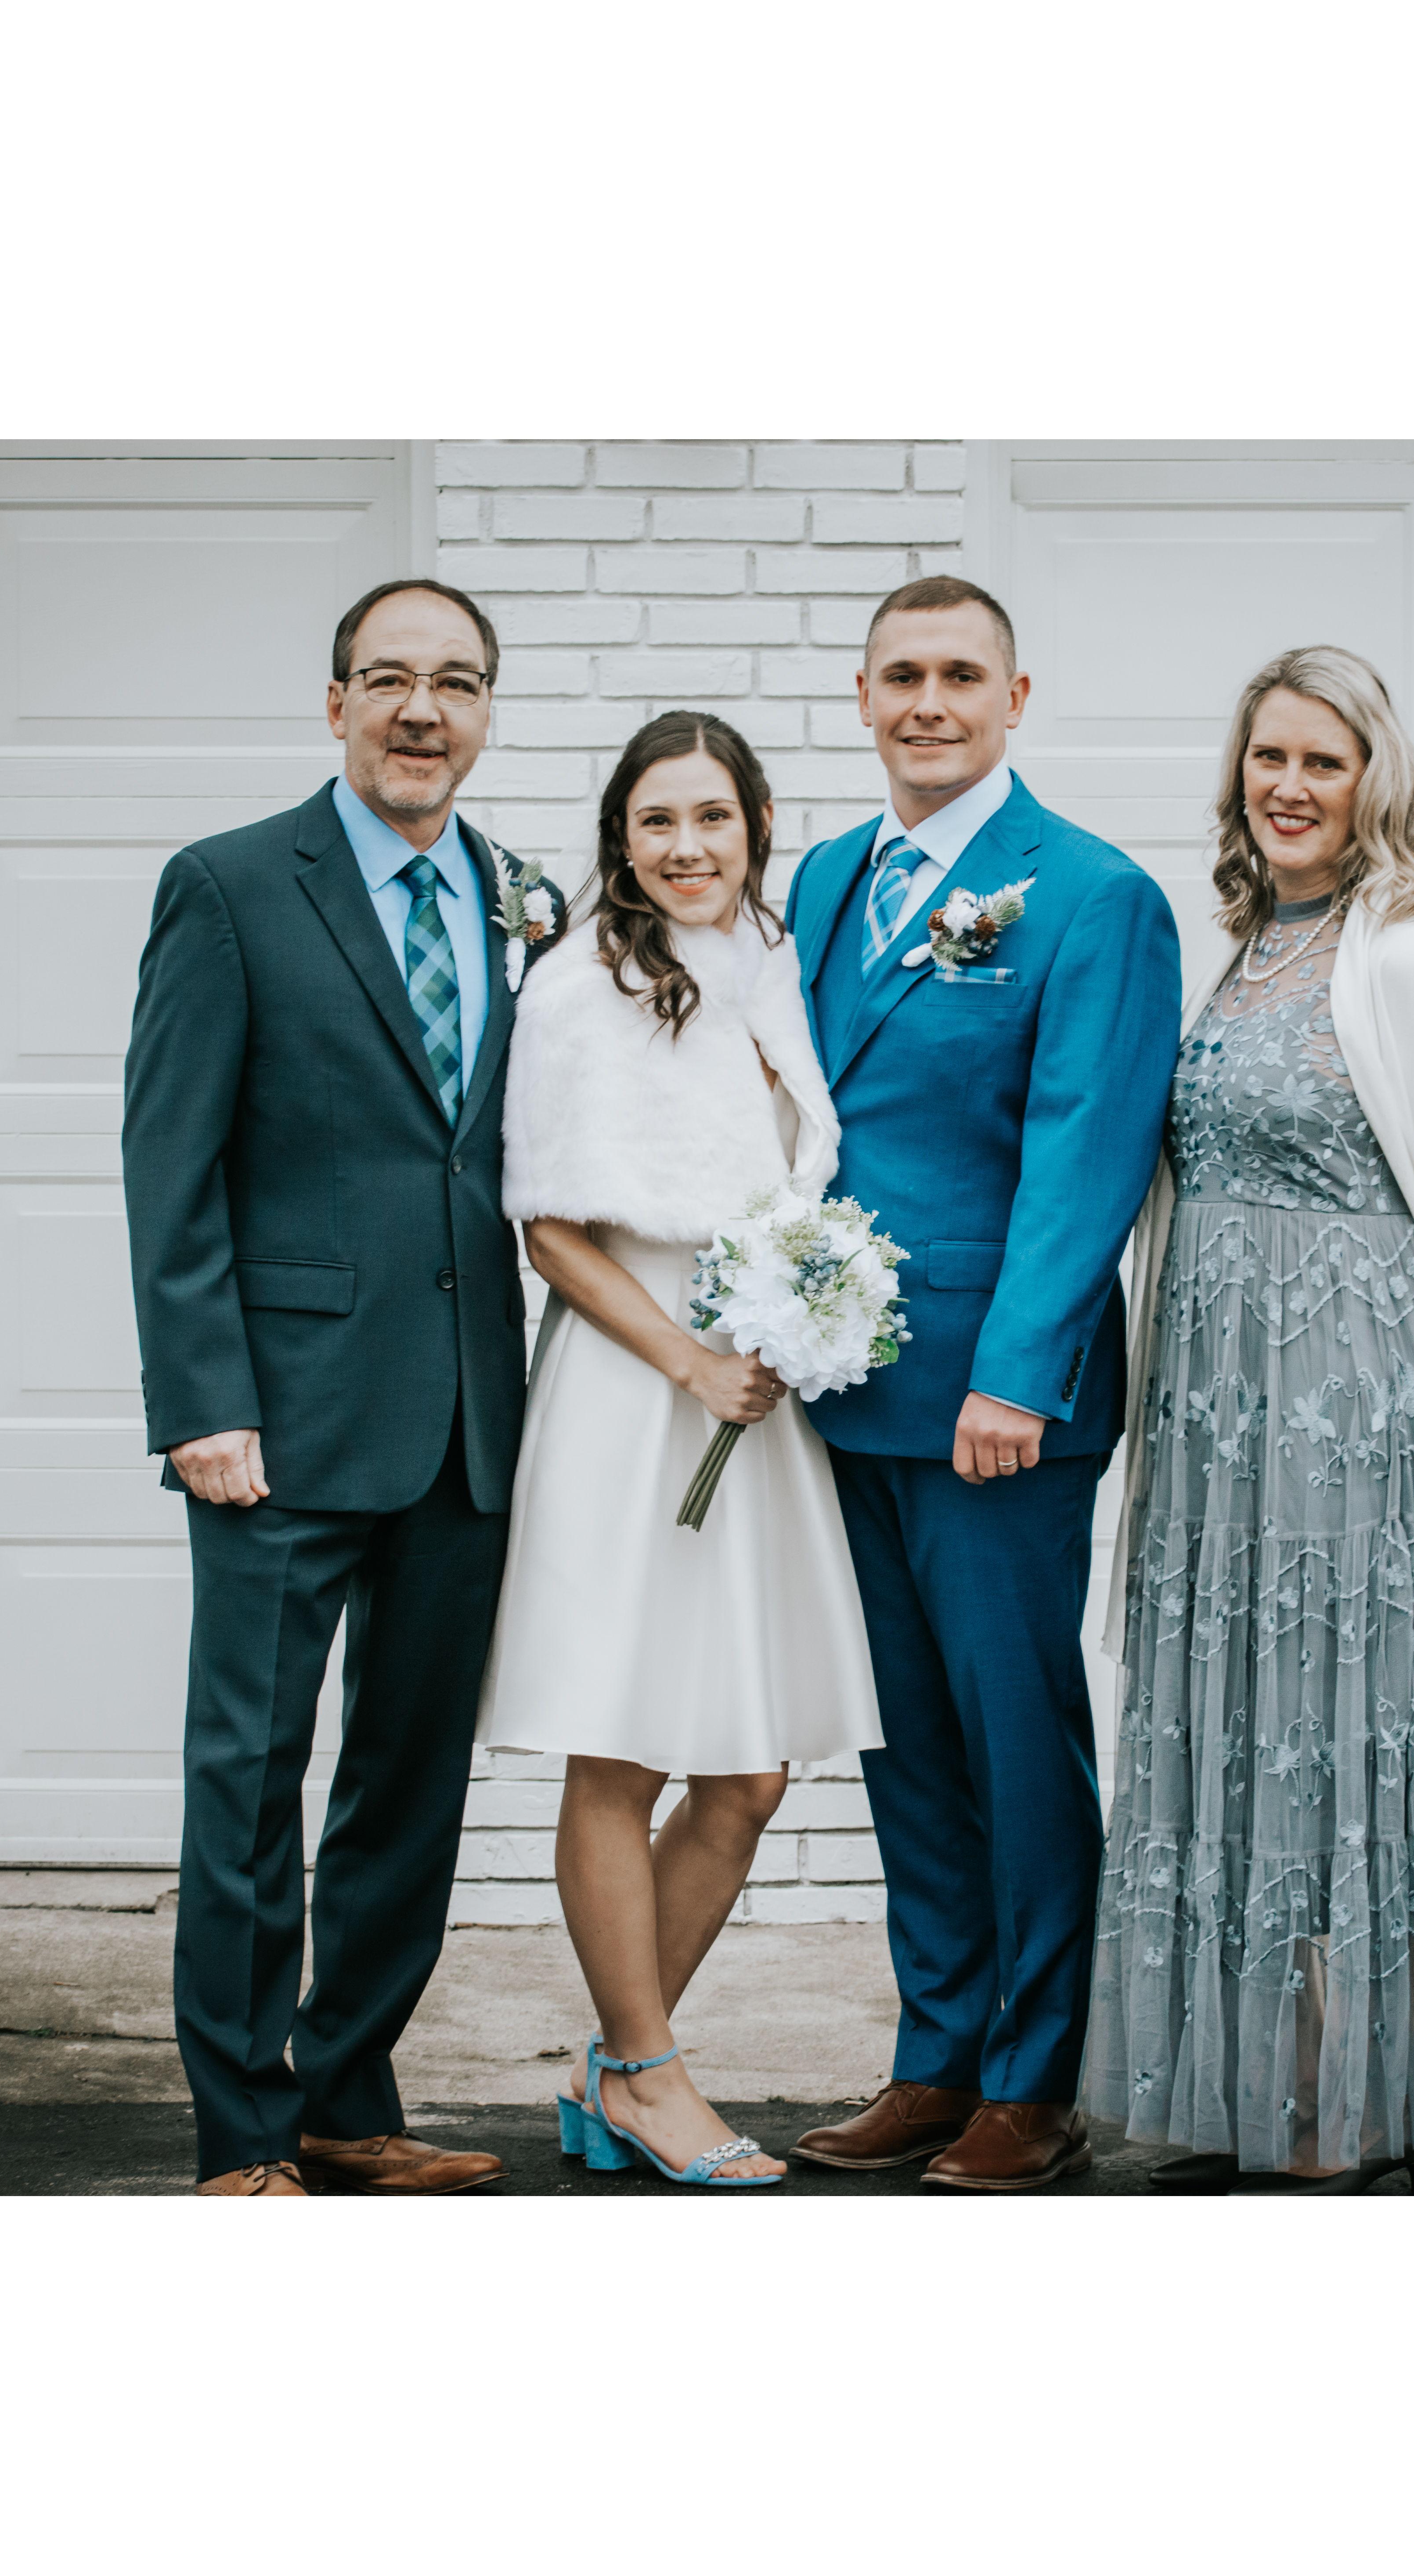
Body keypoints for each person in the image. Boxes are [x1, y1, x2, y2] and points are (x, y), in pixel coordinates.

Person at [1082, 645, 1414, 2192]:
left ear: (1375, 782)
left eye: (1323, 761)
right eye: (1269, 759)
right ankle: (1263, 2090)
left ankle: (1353, 2106)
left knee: (1347, 1736)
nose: (1289, 787)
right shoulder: (1241, 945)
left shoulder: (1408, 954)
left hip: (1349, 1405)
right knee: (1243, 1737)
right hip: (1216, 1412)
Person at [122, 578, 553, 2197]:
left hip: (465, 1421)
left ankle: (346, 2100)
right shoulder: (231, 887)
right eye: (389, 679)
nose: (421, 710)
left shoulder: (525, 902)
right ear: (337, 704)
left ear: (487, 711)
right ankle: (244, 2137)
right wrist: (200, 1403)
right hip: (278, 1423)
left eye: (456, 682)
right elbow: (169, 1168)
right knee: (248, 1782)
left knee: (408, 1788)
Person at [781, 577, 1182, 2193]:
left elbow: (1088, 1155)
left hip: (993, 1413)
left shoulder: (1091, 895)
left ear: (1017, 700)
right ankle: (937, 2056)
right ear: (863, 697)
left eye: (962, 675)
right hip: (846, 1387)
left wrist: (1018, 1376)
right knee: (908, 1748)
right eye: (903, 675)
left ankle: (1037, 2077)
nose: (929, 702)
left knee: (1018, 1743)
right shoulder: (824, 879)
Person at [481, 712, 880, 2189]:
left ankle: (615, 2067)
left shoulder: (768, 962)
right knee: (625, 1741)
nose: (687, 847)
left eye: (713, 817)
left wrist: (797, 1317)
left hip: (748, 1395)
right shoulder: (578, 986)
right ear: (621, 839)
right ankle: (651, 2075)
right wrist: (690, 1361)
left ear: (757, 825)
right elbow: (550, 1231)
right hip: (639, 1386)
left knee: (748, 1775)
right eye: (658, 821)